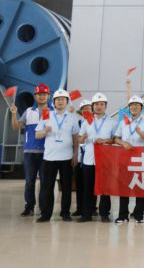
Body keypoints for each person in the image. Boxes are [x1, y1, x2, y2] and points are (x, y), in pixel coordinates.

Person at [34, 89, 80, 222]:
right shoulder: (46, 114)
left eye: (63, 99)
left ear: (67, 101)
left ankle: (65, 213)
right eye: (58, 99)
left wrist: (75, 154)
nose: (60, 101)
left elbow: (75, 137)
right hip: (49, 157)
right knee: (47, 187)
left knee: (66, 187)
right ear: (54, 102)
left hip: (66, 157)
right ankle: (45, 214)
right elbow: (37, 135)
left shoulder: (72, 117)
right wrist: (45, 131)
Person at [10, 83, 50, 217]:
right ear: (35, 96)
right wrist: (14, 114)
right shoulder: (28, 111)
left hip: (47, 152)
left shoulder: (53, 112)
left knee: (45, 181)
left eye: (44, 94)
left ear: (48, 96)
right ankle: (29, 206)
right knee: (29, 181)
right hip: (30, 152)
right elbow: (16, 127)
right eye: (39, 94)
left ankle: (44, 208)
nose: (41, 96)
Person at [78, 93, 117, 223]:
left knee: (105, 188)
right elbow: (80, 139)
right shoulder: (86, 121)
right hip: (89, 159)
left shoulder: (112, 122)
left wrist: (104, 140)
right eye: (96, 104)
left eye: (101, 104)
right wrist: (82, 138)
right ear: (92, 106)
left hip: (105, 160)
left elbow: (115, 139)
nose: (99, 107)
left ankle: (104, 214)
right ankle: (86, 214)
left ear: (105, 106)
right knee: (88, 188)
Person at [113, 95, 144, 224]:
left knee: (140, 187)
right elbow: (116, 138)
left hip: (140, 159)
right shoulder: (123, 122)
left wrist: (139, 132)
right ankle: (123, 215)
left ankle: (139, 214)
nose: (134, 107)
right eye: (132, 106)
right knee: (124, 187)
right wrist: (123, 143)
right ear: (129, 108)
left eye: (137, 105)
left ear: (141, 108)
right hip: (125, 159)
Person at [72, 99, 92, 217]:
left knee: (90, 184)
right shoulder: (77, 123)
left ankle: (92, 208)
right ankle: (80, 208)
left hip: (91, 158)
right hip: (79, 158)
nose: (87, 111)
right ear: (81, 112)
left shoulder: (95, 122)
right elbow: (74, 140)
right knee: (79, 185)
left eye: (88, 108)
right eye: (84, 109)